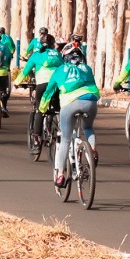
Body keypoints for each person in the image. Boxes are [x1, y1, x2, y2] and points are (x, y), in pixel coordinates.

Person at [40, 42, 101, 187]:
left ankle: (60, 174)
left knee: (66, 140)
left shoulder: (60, 70)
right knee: (88, 128)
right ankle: (92, 151)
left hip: (70, 103)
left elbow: (48, 92)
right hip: (91, 101)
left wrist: (42, 109)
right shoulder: (87, 68)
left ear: (64, 58)